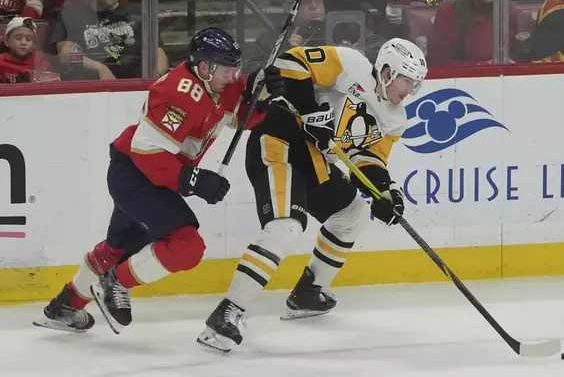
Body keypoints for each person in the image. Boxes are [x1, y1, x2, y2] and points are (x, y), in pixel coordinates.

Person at [32, 27, 285, 334]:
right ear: (204, 66)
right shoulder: (178, 92)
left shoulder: (216, 82)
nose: (234, 75)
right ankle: (113, 283)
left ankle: (63, 307)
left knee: (117, 247)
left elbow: (238, 114)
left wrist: (261, 97)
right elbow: (146, 150)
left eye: (236, 67)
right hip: (137, 174)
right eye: (227, 68)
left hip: (141, 174)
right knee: (187, 246)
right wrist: (193, 179)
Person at [196, 38, 428, 353]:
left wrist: (385, 191)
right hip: (279, 141)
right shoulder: (350, 64)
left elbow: (367, 159)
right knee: (286, 226)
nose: (410, 90)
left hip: (314, 160)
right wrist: (309, 111)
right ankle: (226, 313)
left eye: (416, 84)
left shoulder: (395, 119)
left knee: (354, 212)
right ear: (387, 71)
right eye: (408, 81)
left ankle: (307, 292)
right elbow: (291, 63)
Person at [0, 17, 58, 83]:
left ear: (33, 43)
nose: (23, 43)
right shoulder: (1, 63)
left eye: (28, 39)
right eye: (18, 38)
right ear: (6, 41)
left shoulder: (44, 63)